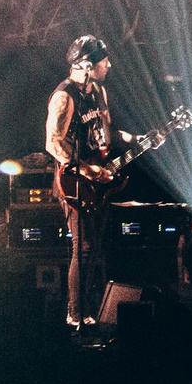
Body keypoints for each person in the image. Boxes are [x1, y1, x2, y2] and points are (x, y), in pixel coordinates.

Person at [44, 35, 120, 329]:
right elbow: (54, 143)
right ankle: (74, 313)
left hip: (95, 179)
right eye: (104, 61)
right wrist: (87, 170)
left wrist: (138, 140)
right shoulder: (65, 96)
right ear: (87, 64)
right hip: (73, 180)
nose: (109, 65)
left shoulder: (98, 91)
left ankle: (89, 310)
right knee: (83, 246)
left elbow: (107, 131)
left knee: (96, 247)